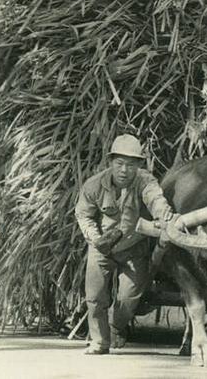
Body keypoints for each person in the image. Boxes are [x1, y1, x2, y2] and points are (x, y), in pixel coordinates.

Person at [75, 134, 174, 355]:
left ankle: (115, 326)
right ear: (110, 163)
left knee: (129, 297)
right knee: (95, 296)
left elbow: (156, 198)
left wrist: (163, 214)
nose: (124, 170)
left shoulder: (145, 181)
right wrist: (96, 238)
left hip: (134, 247)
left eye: (130, 165)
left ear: (139, 165)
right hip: (102, 247)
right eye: (119, 163)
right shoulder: (93, 186)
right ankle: (99, 341)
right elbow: (83, 215)